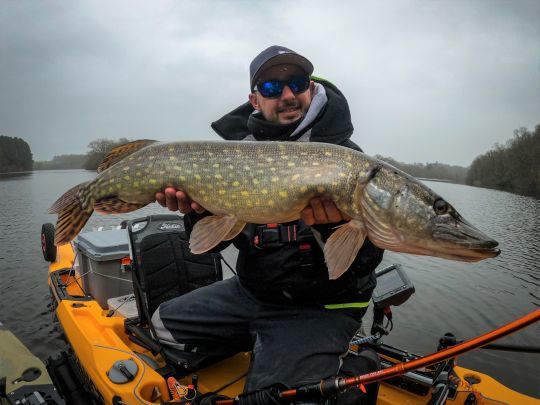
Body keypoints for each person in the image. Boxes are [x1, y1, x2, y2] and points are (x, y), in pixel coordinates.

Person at [153, 45, 384, 404]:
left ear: (309, 87)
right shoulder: (236, 154)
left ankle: (340, 358)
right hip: (252, 293)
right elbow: (209, 246)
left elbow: (362, 268)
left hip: (319, 308)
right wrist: (195, 211)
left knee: (268, 398)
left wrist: (328, 229)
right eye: (273, 88)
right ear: (255, 99)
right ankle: (261, 340)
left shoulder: (348, 160)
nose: (289, 95)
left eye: (297, 83)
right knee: (161, 326)